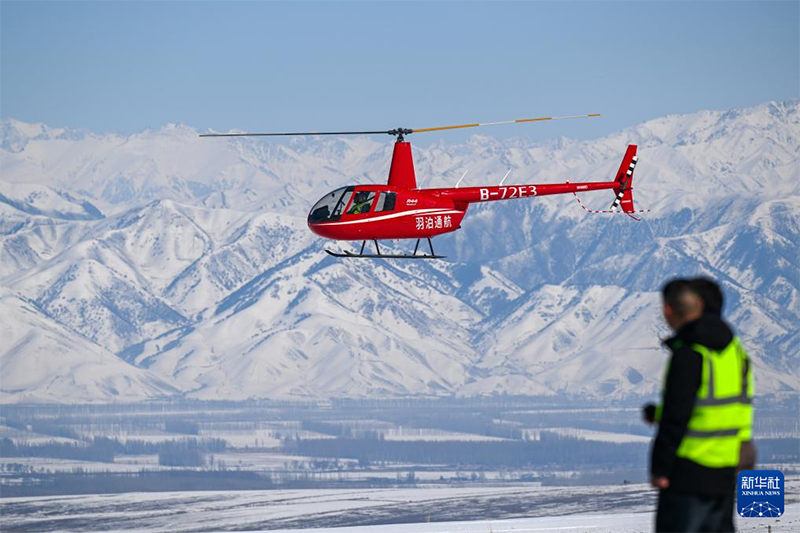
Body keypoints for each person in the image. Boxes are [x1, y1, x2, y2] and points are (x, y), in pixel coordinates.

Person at [644, 278, 753, 533]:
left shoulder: (690, 353)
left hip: (688, 472)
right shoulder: (733, 350)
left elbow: (677, 415)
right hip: (726, 467)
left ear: (669, 310)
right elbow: (712, 407)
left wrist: (659, 468)